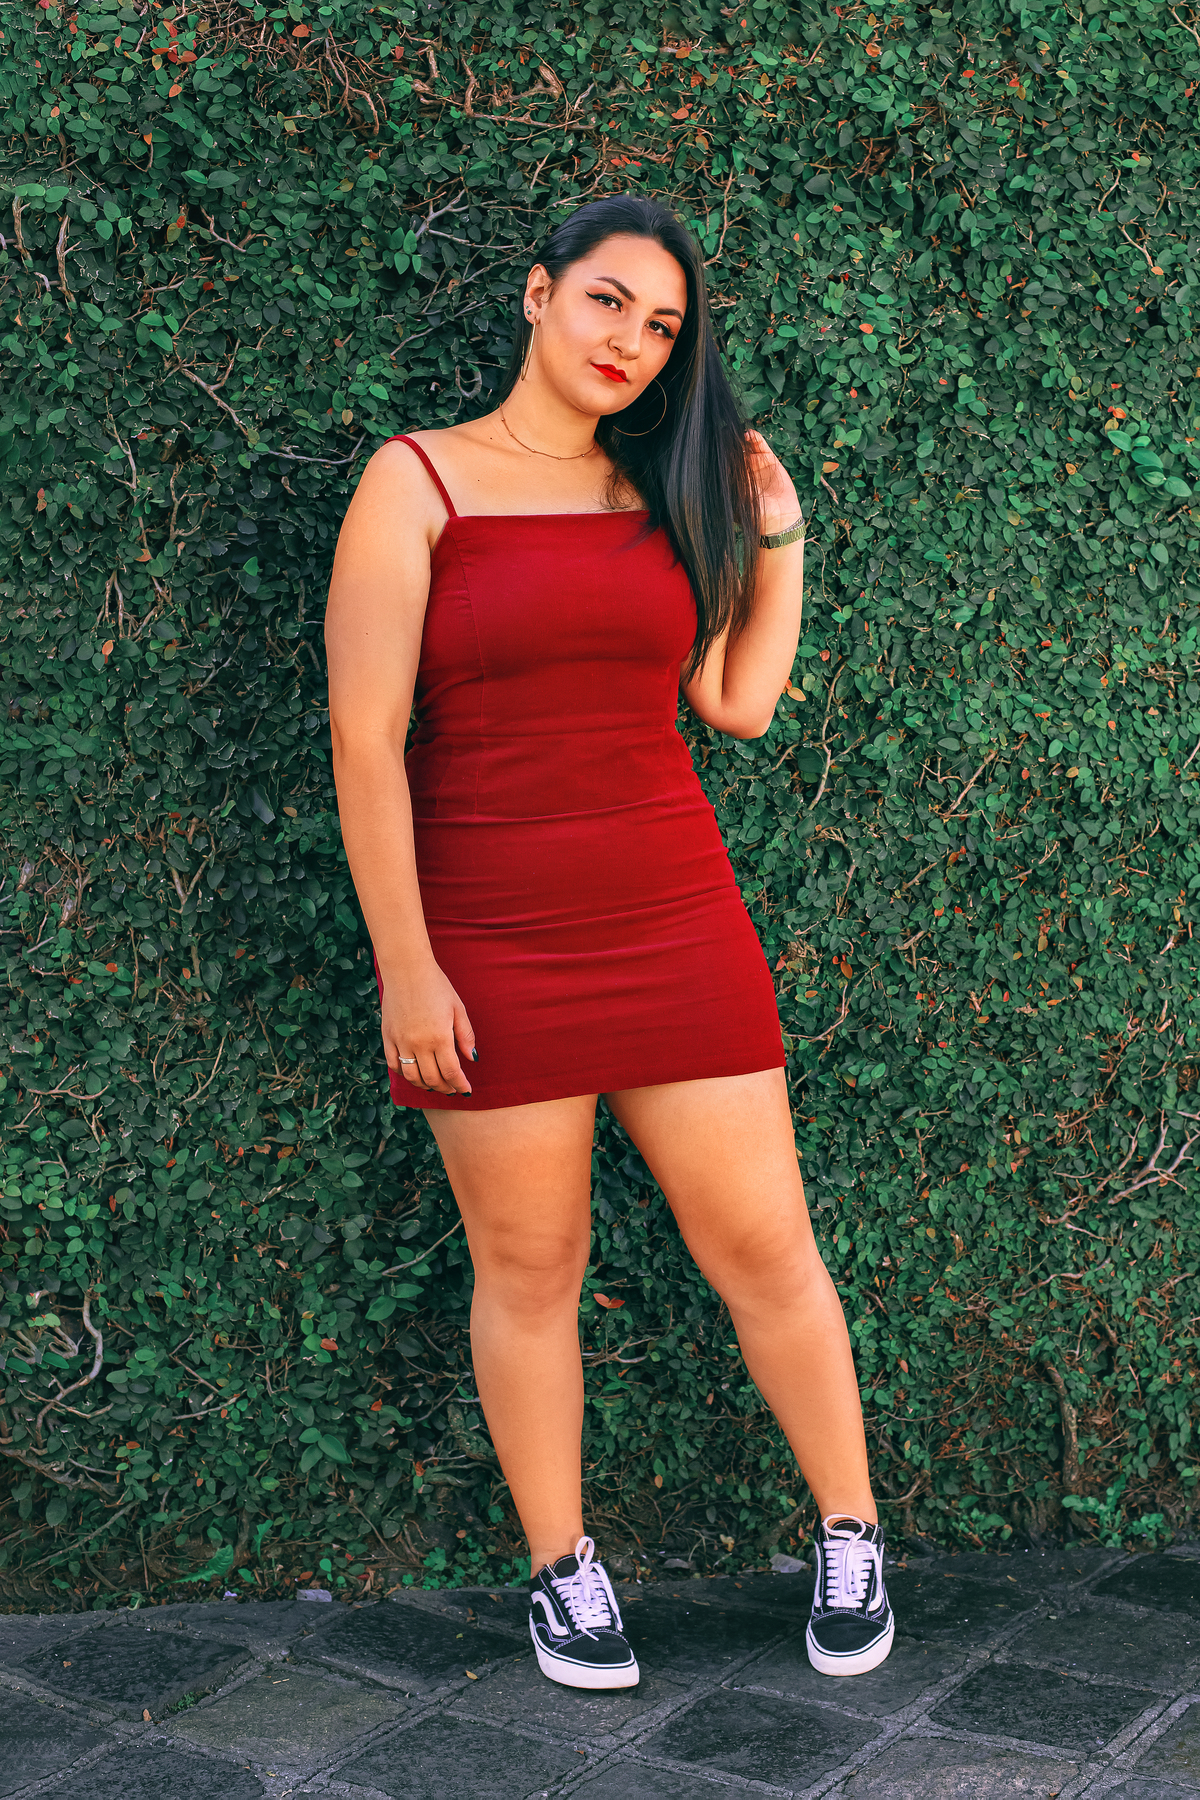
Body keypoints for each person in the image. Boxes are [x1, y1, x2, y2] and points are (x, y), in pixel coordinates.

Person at [325, 194, 893, 1689]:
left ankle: (852, 1534)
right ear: (538, 296)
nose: (631, 342)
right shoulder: (414, 480)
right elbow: (365, 742)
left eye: (662, 327)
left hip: (672, 913)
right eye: (607, 302)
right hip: (489, 935)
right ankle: (563, 1572)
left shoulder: (660, 496)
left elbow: (736, 705)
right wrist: (407, 965)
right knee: (531, 1264)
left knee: (766, 1246)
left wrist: (778, 538)